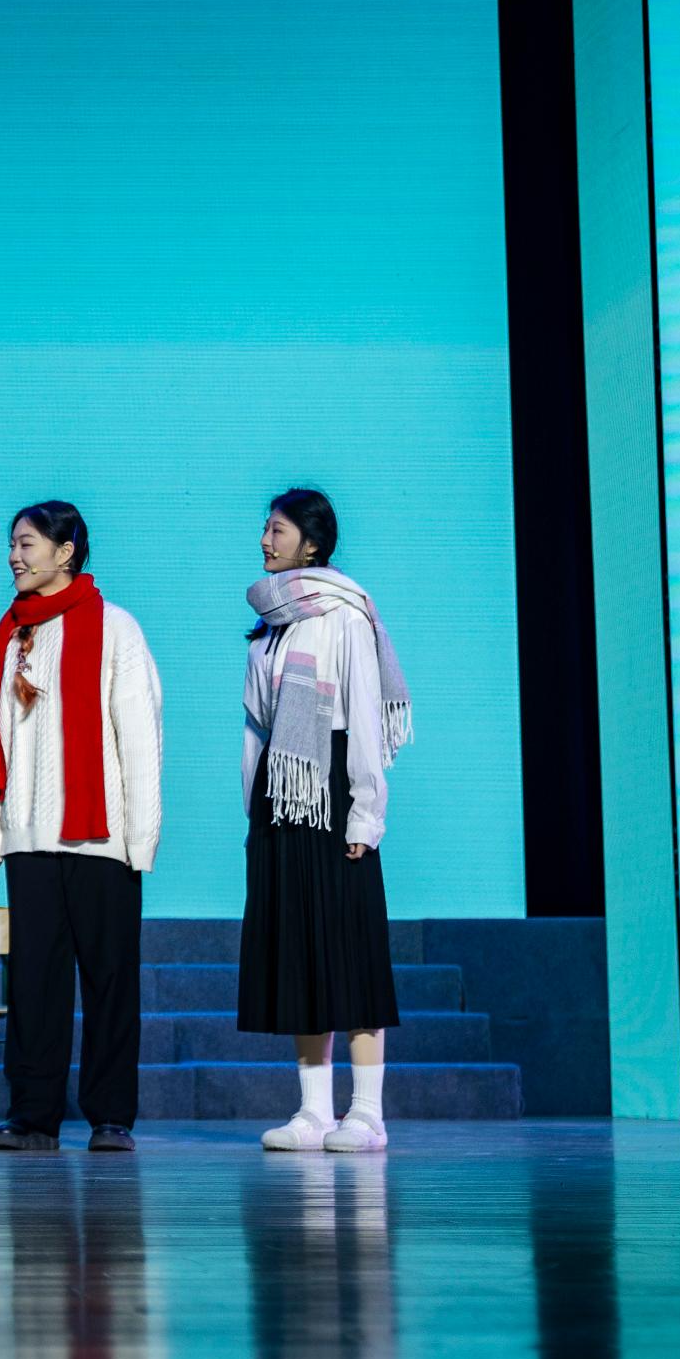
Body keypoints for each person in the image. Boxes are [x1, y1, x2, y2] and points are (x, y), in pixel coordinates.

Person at [0, 500, 162, 1154]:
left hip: (100, 838)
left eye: (26, 544)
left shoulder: (116, 628)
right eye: (12, 544)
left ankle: (110, 1116)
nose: (14, 556)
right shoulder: (11, 633)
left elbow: (140, 738)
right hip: (30, 836)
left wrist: (142, 837)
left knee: (109, 979)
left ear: (65, 552)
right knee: (34, 982)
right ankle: (33, 1115)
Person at [238, 488, 411, 1153]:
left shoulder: (343, 612)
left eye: (278, 530)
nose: (265, 540)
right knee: (298, 949)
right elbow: (256, 726)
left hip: (333, 787)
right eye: (265, 528)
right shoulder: (269, 624)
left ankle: (367, 1112)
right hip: (282, 796)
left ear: (312, 543)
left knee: (350, 946)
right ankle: (314, 1110)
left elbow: (363, 713)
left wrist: (366, 812)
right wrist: (255, 807)